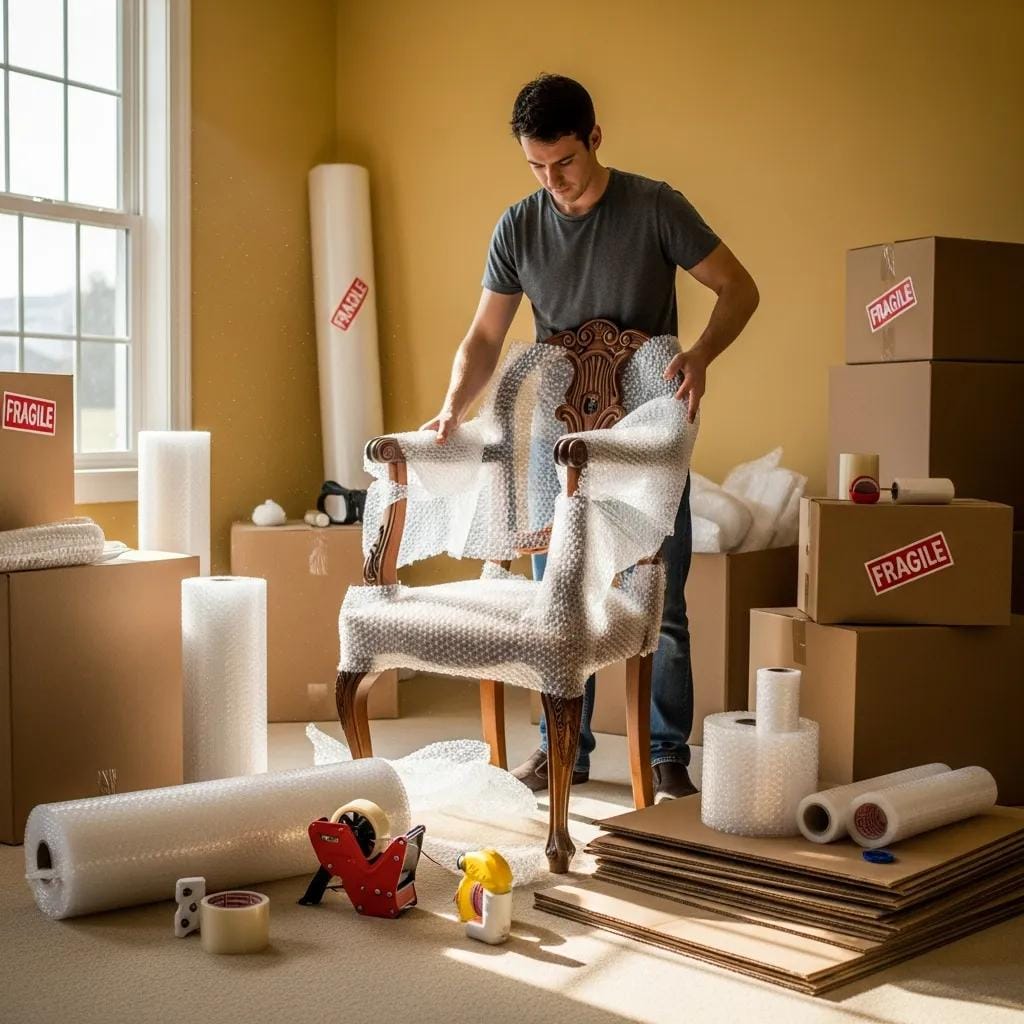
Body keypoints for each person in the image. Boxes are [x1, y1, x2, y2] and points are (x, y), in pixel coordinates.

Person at [422, 73, 759, 801]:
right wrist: (452, 407)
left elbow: (740, 288)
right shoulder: (518, 225)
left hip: (645, 433)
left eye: (565, 164)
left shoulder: (655, 206)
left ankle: (666, 752)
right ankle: (561, 751)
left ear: (595, 139)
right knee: (559, 604)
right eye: (537, 168)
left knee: (658, 601)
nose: (554, 183)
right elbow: (485, 336)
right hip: (558, 437)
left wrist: (698, 355)